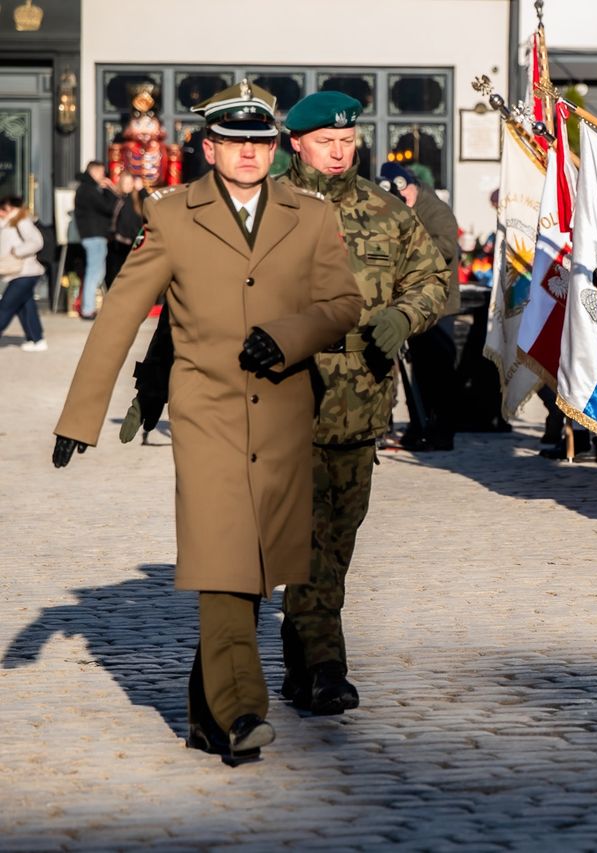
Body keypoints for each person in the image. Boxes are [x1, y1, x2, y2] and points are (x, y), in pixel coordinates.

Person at [50, 80, 362, 763]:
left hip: (283, 413)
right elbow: (121, 312)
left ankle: (203, 713)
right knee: (222, 555)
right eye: (235, 142)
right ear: (209, 146)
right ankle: (243, 708)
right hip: (206, 415)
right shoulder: (169, 216)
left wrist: (291, 334)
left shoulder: (311, 217)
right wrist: (83, 413)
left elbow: (343, 304)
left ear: (275, 148)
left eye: (260, 142)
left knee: (253, 567)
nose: (248, 154)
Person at [278, 91, 449, 715]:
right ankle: (326, 666)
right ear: (295, 142)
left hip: (361, 402)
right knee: (306, 538)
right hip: (285, 399)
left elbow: (433, 277)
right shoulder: (271, 208)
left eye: (348, 141)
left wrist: (407, 315)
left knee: (338, 540)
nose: (339, 151)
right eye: (326, 141)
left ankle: (301, 656)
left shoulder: (385, 211)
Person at [379, 162, 462, 452]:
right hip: (414, 303)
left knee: (438, 372)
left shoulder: (435, 210)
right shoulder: (402, 210)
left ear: (409, 185)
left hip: (438, 306)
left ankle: (440, 431)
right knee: (420, 373)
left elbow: (447, 247)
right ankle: (420, 426)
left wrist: (409, 255)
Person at [0, 196, 47, 351]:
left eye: (4, 209)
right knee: (25, 306)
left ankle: (37, 339)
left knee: (6, 307)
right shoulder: (7, 223)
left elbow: (37, 241)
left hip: (26, 272)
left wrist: (17, 251)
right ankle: (37, 339)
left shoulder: (21, 221)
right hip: (18, 273)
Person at [73, 160, 118, 319]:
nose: (103, 176)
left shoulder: (86, 188)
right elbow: (107, 207)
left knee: (97, 272)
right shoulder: (88, 189)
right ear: (93, 171)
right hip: (94, 235)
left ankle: (89, 307)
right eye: (101, 172)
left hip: (94, 235)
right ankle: (87, 309)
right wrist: (110, 189)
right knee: (95, 273)